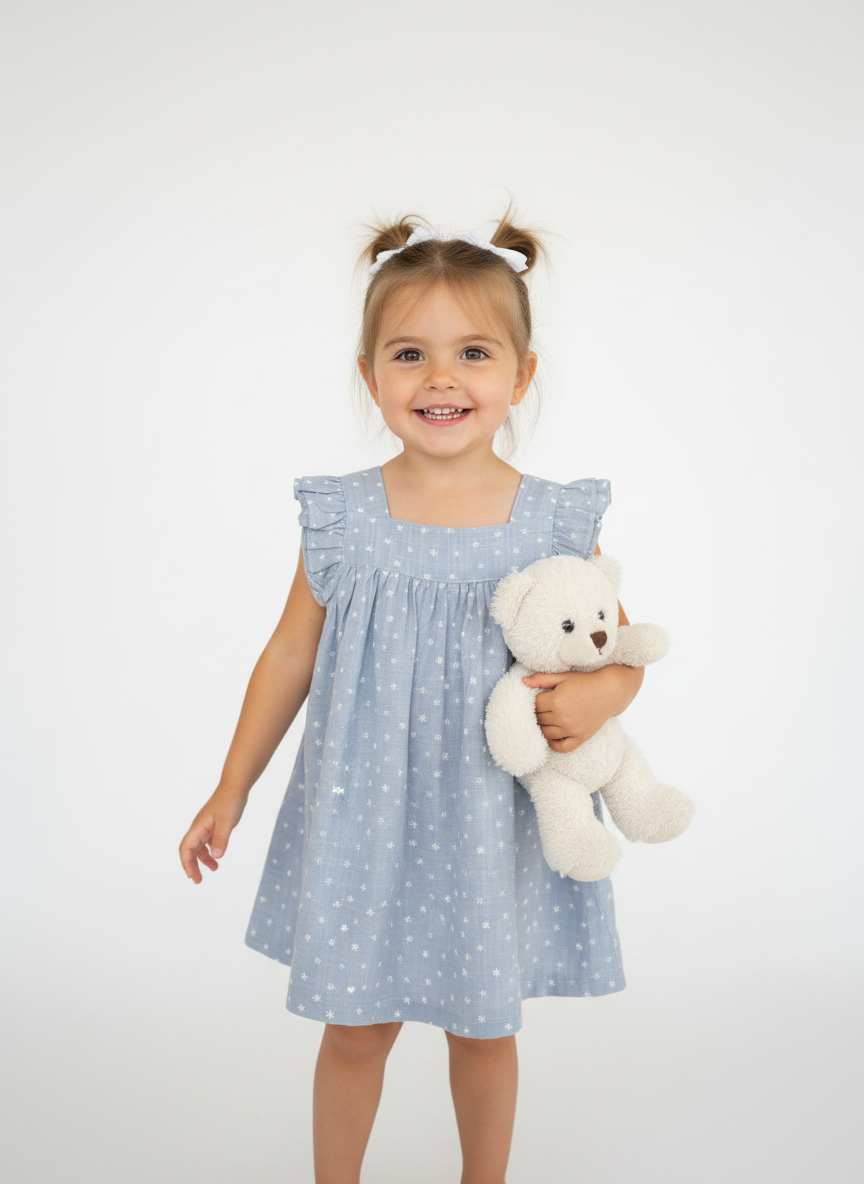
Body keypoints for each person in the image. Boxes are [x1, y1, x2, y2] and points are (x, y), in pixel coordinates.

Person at [179, 212, 645, 1184]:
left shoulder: (553, 521)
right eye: (409, 354)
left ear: (520, 374)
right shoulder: (343, 516)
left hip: (491, 816)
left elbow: (619, 645)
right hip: (365, 811)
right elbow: (289, 653)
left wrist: (604, 697)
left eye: (473, 352)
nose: (441, 378)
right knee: (356, 1028)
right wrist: (233, 785)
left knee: (482, 1028)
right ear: (370, 375)